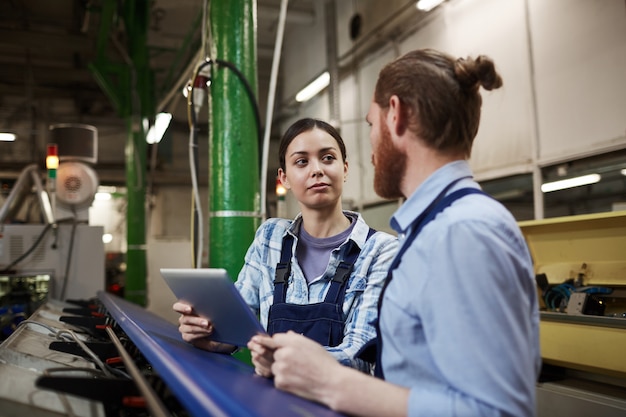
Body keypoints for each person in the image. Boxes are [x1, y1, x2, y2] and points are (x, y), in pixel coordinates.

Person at [248, 49, 541, 416]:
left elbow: (498, 412)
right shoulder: (433, 230)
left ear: (396, 115)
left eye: (371, 124)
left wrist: (329, 381)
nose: (371, 144)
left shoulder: (464, 233)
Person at [173, 117, 398, 373]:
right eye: (302, 161)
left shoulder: (381, 250)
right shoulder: (270, 237)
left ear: (345, 169)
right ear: (284, 178)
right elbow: (237, 325)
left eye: (327, 158)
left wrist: (282, 359)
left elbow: (359, 354)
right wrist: (211, 336)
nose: (317, 170)